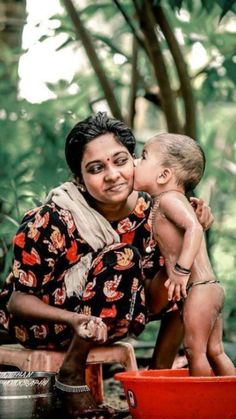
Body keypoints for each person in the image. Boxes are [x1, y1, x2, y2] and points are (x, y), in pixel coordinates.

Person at [0, 113, 214, 418]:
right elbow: (17, 302)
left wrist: (190, 225)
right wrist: (74, 319)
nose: (113, 175)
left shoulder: (153, 210)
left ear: (135, 161)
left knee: (182, 287)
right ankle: (71, 376)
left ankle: (157, 381)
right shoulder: (50, 219)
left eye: (120, 160)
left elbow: (160, 291)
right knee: (123, 257)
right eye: (96, 168)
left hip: (112, 320)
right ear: (79, 179)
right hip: (49, 323)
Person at [134, 132, 235, 376]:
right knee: (215, 351)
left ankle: (202, 406)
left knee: (194, 351)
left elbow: (194, 227)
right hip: (208, 289)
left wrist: (181, 271)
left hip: (198, 289)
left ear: (164, 175)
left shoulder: (170, 199)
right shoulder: (165, 201)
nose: (135, 161)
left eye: (144, 156)